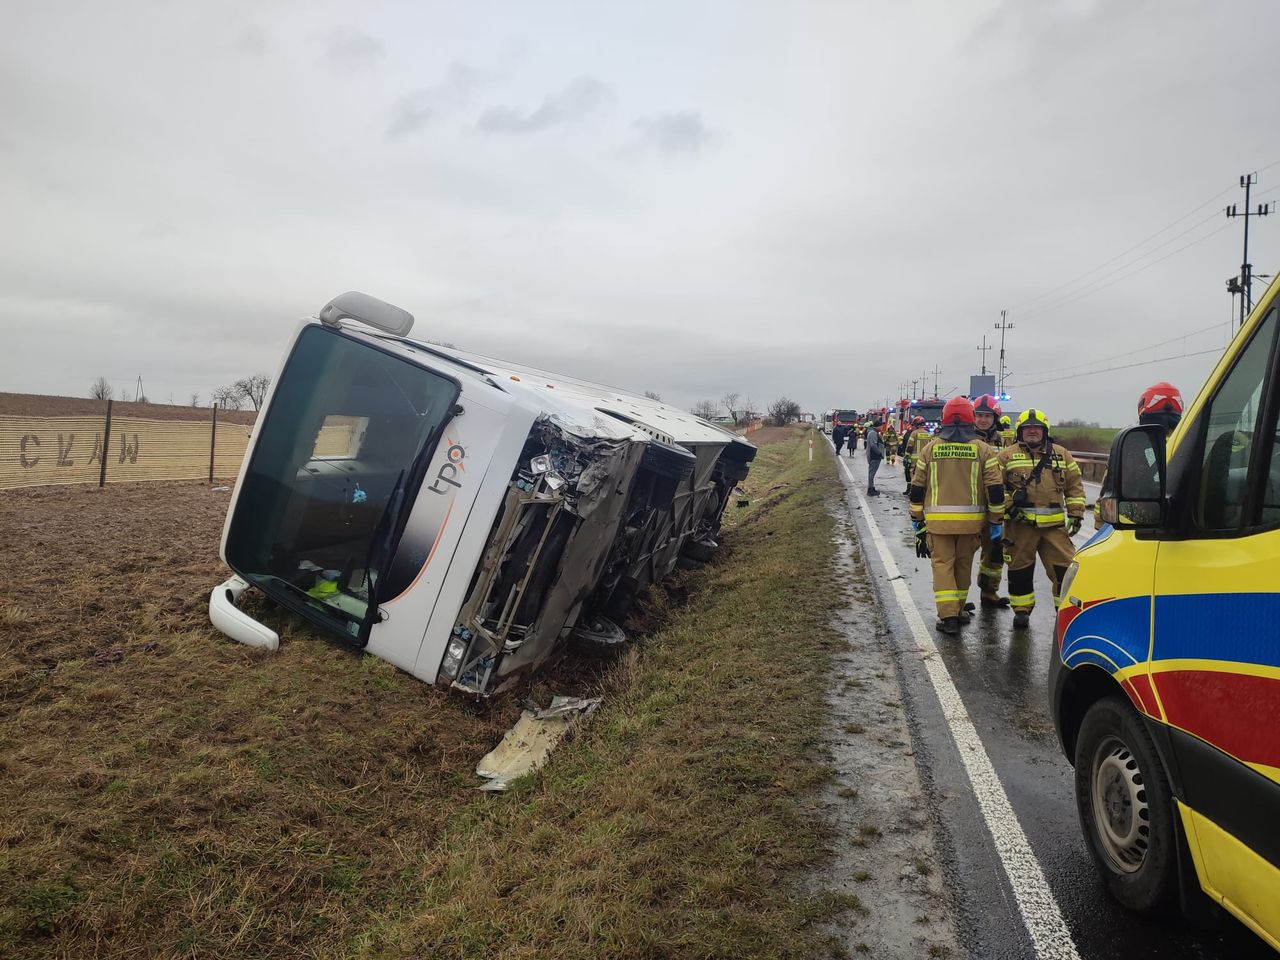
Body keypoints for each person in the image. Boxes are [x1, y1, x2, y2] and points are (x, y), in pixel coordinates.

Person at [909, 397, 1004, 635]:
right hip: (971, 524)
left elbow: (917, 487)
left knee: (943, 566)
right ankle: (959, 609)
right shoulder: (984, 449)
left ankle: (948, 615)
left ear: (944, 419)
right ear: (972, 419)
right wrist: (995, 521)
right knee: (963, 566)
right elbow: (995, 489)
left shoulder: (930, 448)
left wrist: (916, 519)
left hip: (938, 524)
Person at [998, 409, 1086, 629]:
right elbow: (994, 487)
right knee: (1020, 571)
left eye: (1037, 428)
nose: (1033, 431)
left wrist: (1076, 513)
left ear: (1045, 430)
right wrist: (1009, 506)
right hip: (1020, 527)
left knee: (1065, 571)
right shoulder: (1006, 456)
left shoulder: (1062, 454)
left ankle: (1064, 611)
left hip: (1054, 529)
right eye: (1028, 428)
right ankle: (1021, 611)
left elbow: (1074, 485)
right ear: (1020, 431)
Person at [1094, 381, 1183, 527]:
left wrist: (1101, 525)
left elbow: (1110, 486)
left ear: (1143, 408)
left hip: (1137, 523)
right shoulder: (1190, 439)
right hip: (1182, 525)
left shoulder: (1132, 443)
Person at [972, 395, 1009, 608]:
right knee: (963, 554)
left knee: (995, 553)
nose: (983, 420)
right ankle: (956, 602)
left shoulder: (1004, 442)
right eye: (979, 415)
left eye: (987, 416)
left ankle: (989, 592)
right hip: (971, 504)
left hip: (996, 506)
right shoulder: (965, 439)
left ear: (995, 418)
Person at [902, 415, 928, 494]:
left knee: (914, 476)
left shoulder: (914, 433)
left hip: (914, 459)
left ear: (916, 424)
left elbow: (910, 446)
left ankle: (914, 493)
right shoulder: (927, 434)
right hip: (925, 459)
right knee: (923, 475)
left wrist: (906, 457)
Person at [864, 419, 885, 495]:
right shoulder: (873, 433)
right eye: (881, 426)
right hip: (874, 457)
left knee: (872, 473)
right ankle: (870, 489)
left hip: (875, 456)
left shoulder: (874, 432)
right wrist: (879, 453)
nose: (882, 427)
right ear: (877, 426)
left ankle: (872, 488)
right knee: (872, 473)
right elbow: (873, 445)